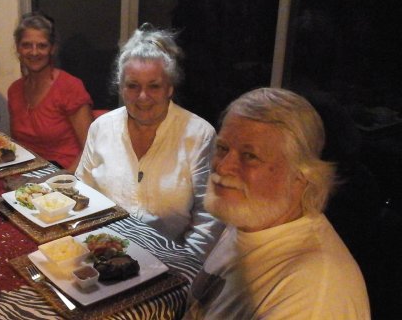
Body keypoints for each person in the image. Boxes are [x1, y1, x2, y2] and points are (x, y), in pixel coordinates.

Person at [186, 88, 370, 319]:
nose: (222, 166)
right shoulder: (248, 219)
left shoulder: (315, 295)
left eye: (249, 156)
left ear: (302, 176)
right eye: (223, 148)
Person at [75, 24, 221, 260]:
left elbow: (210, 217)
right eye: (133, 86)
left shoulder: (199, 135)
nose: (143, 97)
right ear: (121, 88)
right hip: (99, 255)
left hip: (168, 262)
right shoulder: (101, 128)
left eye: (154, 86)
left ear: (169, 88)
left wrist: (185, 269)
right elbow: (81, 193)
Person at [7, 12, 93, 172]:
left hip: (66, 175)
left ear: (52, 49)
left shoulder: (70, 87)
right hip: (27, 175)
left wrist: (60, 181)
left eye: (42, 45)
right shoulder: (14, 90)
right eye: (26, 45)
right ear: (18, 48)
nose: (34, 52)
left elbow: (90, 148)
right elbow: (18, 147)